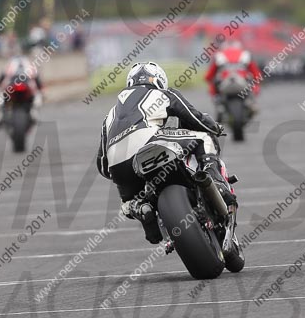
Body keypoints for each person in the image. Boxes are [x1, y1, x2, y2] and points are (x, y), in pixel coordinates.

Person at [96, 62, 234, 244]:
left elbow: (103, 165)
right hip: (147, 141)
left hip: (117, 165)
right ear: (159, 80)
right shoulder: (162, 93)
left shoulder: (110, 114)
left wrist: (119, 173)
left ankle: (141, 208)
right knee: (204, 138)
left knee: (128, 204)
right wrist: (214, 127)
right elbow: (194, 118)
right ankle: (216, 181)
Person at [204, 40, 261, 121]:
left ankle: (219, 104)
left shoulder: (219, 55)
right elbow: (257, 75)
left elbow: (208, 76)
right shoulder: (246, 55)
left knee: (215, 82)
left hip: (224, 85)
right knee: (252, 82)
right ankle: (251, 102)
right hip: (243, 84)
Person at [0, 53, 44, 128]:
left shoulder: (10, 63)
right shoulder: (28, 63)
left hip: (13, 86)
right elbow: (36, 78)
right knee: (37, 96)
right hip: (22, 87)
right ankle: (34, 115)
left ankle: (1, 117)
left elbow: (2, 77)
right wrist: (41, 89)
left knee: (0, 96)